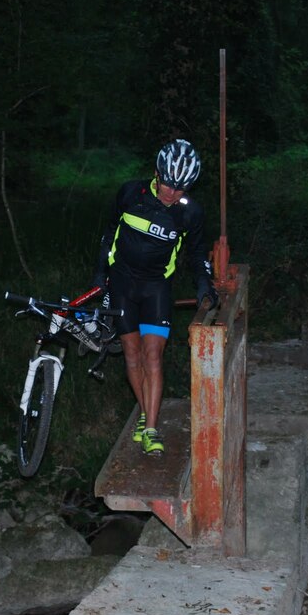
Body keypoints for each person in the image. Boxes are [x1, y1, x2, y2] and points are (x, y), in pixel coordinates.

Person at [90, 139, 218, 455]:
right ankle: (145, 410)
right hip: (122, 285)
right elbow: (109, 234)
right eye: (168, 184)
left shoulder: (190, 213)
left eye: (181, 188)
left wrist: (204, 283)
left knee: (153, 355)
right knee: (132, 355)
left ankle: (150, 428)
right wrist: (100, 274)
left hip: (156, 288)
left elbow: (197, 252)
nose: (172, 193)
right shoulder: (130, 193)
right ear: (156, 174)